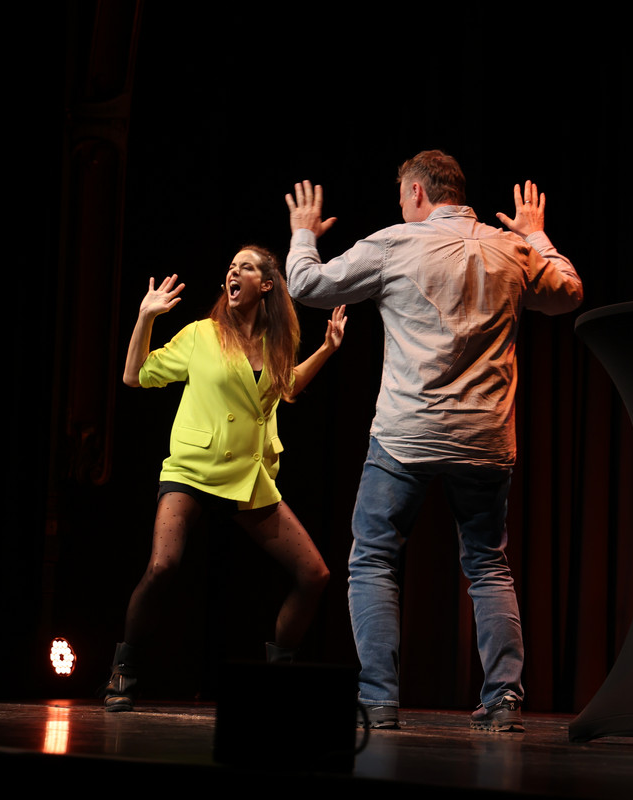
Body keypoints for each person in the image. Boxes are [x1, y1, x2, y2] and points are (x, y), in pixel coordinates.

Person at [284, 150, 582, 732]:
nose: (401, 206)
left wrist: (302, 234)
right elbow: (568, 292)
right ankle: (504, 698)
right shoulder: (509, 248)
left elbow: (305, 284)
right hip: (484, 438)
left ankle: (378, 700)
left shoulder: (394, 243)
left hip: (406, 435)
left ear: (418, 192)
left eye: (402, 196)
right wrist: (537, 234)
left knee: (373, 559)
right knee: (488, 565)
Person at [101, 244, 346, 712]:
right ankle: (123, 670)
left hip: (248, 475)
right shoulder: (201, 335)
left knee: (314, 574)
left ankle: (278, 683)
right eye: (231, 267)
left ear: (266, 285)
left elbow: (286, 386)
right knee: (162, 566)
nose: (234, 272)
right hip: (193, 469)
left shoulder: (276, 343)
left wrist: (327, 350)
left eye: (245, 267)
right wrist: (145, 316)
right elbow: (135, 375)